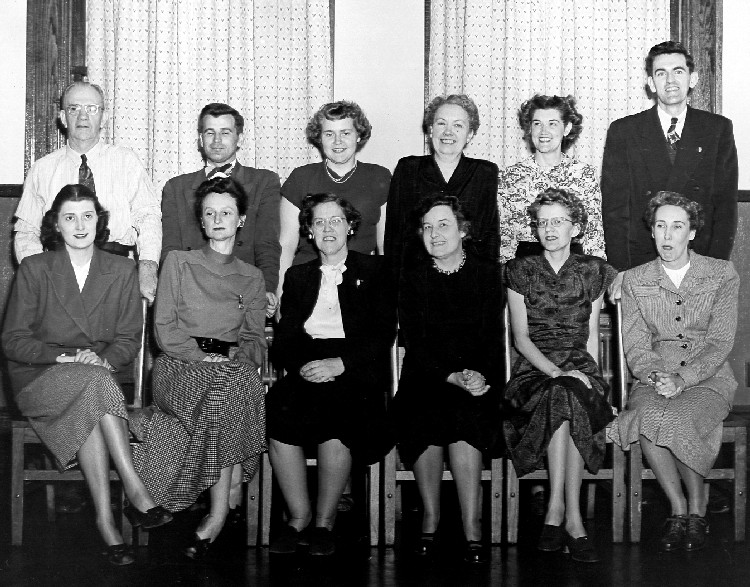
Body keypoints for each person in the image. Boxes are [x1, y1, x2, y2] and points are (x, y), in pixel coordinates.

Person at [2, 184, 172, 566]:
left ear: (99, 221)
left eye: (87, 216)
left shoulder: (123, 270)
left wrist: (102, 360)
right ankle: (135, 489)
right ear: (56, 225)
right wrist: (68, 357)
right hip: (38, 378)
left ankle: (106, 523)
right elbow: (13, 341)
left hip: (96, 380)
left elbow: (128, 339)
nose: (80, 226)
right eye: (70, 217)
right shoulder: (35, 269)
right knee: (95, 383)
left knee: (93, 392)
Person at [130, 177, 267, 559]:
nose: (218, 219)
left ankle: (216, 510)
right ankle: (224, 503)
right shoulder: (178, 261)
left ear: (241, 219)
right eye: (210, 213)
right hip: (178, 366)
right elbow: (164, 329)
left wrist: (235, 361)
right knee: (235, 387)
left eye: (226, 212)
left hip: (229, 370)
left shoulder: (253, 277)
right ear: (202, 221)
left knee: (235, 383)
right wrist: (203, 358)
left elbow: (254, 340)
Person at [267, 193, 396, 557]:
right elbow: (285, 337)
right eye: (319, 222)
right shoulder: (298, 276)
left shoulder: (375, 270)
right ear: (308, 230)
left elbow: (382, 333)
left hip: (355, 368)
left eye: (336, 221)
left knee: (339, 407)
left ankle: (324, 522)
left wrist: (341, 364)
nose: (328, 229)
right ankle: (299, 516)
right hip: (308, 365)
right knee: (276, 406)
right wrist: (303, 366)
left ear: (350, 227)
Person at [609, 191, 738, 553]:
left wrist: (684, 379)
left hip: (709, 377)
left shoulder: (721, 274)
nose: (667, 235)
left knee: (680, 417)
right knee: (646, 415)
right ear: (651, 231)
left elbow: (720, 342)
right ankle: (678, 509)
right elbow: (636, 345)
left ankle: (697, 510)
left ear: (691, 232)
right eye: (660, 226)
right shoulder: (636, 280)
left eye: (677, 226)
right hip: (654, 378)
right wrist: (655, 376)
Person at [503, 188, 617, 563]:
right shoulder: (519, 270)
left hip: (580, 366)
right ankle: (569, 515)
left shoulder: (594, 270)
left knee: (570, 391)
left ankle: (559, 513)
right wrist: (556, 371)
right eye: (542, 222)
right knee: (561, 390)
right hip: (533, 369)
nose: (549, 229)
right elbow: (520, 339)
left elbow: (590, 337)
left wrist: (593, 381)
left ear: (576, 227)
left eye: (558, 221)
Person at [392, 194, 503, 564]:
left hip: (476, 374)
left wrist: (478, 377)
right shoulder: (413, 276)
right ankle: (431, 515)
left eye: (443, 225)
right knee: (422, 411)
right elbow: (415, 341)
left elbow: (492, 337)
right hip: (427, 374)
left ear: (463, 230)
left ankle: (472, 522)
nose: (434, 234)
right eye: (427, 227)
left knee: (467, 411)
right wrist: (450, 375)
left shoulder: (487, 273)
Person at [601, 41, 738, 298]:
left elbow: (725, 206)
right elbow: (615, 209)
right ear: (651, 83)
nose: (670, 80)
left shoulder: (717, 129)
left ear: (692, 78)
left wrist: (716, 266)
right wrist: (620, 268)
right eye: (661, 73)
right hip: (642, 260)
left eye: (678, 71)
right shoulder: (625, 131)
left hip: (698, 259)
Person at [13, 81, 162, 302]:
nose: (83, 116)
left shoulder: (126, 161)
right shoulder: (42, 169)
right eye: (74, 108)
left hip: (116, 272)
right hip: (58, 275)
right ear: (63, 117)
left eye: (92, 109)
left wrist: (148, 267)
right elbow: (26, 232)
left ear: (104, 117)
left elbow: (148, 218)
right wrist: (40, 275)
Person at [161, 103, 281, 315]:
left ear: (239, 139)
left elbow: (267, 244)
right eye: (210, 133)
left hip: (243, 291)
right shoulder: (176, 187)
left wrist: (267, 288)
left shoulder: (264, 182)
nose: (217, 141)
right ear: (201, 139)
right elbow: (171, 250)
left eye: (225, 133)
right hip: (192, 294)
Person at [277, 100, 391, 300]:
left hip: (361, 284)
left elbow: (384, 247)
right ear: (319, 138)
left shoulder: (379, 177)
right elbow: (286, 246)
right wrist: (281, 296)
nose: (338, 141)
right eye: (329, 134)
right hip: (308, 283)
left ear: (359, 135)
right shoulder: (301, 178)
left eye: (345, 133)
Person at [384, 94, 499, 278]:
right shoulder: (408, 169)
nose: (448, 132)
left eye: (458, 125)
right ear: (431, 130)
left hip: (468, 277)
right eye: (441, 123)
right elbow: (395, 235)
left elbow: (489, 237)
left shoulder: (485, 173)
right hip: (416, 278)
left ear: (470, 134)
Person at [498, 94, 605, 263]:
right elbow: (505, 240)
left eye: (552, 124)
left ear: (567, 128)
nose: (543, 131)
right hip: (525, 266)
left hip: (572, 265)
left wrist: (597, 273)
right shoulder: (509, 176)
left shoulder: (583, 174)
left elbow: (594, 236)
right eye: (537, 123)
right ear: (529, 128)